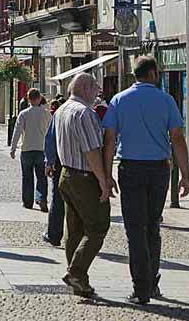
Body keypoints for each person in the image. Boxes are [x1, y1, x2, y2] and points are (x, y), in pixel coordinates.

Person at [101, 56, 189, 305]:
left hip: (130, 169)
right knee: (152, 226)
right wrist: (185, 174)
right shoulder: (166, 100)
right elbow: (177, 138)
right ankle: (151, 283)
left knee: (134, 230)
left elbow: (109, 140)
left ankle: (140, 288)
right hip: (158, 170)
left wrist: (107, 175)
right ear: (152, 74)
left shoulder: (119, 100)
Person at [54, 73, 114, 298]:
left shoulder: (62, 110)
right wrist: (103, 179)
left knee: (75, 229)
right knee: (98, 227)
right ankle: (76, 273)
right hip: (85, 177)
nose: (99, 92)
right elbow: (91, 150)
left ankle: (78, 280)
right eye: (96, 87)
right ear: (86, 89)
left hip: (66, 174)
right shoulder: (84, 113)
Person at [10, 88, 52, 212]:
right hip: (42, 149)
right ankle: (41, 198)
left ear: (28, 99)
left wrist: (13, 148)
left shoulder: (24, 114)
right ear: (39, 98)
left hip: (27, 149)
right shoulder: (46, 113)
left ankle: (27, 202)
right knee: (41, 177)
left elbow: (17, 131)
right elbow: (51, 133)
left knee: (27, 177)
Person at [41, 114, 64, 247]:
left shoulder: (60, 114)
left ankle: (54, 234)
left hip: (61, 163)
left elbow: (50, 140)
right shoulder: (90, 113)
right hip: (86, 165)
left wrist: (49, 162)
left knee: (58, 199)